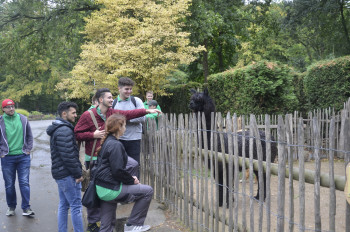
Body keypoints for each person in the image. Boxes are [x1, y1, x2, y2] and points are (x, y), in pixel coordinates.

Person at [74, 88, 160, 232]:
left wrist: (146, 111)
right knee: (94, 190)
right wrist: (92, 134)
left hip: (104, 160)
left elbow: (128, 114)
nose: (111, 99)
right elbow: (76, 133)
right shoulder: (89, 115)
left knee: (110, 182)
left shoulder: (111, 114)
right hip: (93, 157)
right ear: (100, 100)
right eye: (109, 97)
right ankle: (93, 222)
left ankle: (108, 218)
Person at [95, 114, 153, 232]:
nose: (125, 128)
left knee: (106, 227)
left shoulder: (107, 141)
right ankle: (133, 225)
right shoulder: (116, 145)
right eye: (125, 126)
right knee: (147, 191)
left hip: (101, 189)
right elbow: (117, 171)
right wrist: (132, 180)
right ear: (119, 127)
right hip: (111, 190)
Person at [46, 102, 84, 232]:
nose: (75, 115)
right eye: (73, 113)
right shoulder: (64, 130)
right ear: (64, 113)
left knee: (64, 205)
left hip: (60, 174)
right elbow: (68, 156)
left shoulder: (60, 128)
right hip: (67, 174)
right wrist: (78, 174)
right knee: (76, 206)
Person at [0, 99, 34, 217]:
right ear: (3, 109)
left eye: (13, 106)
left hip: (23, 156)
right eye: (8, 107)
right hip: (7, 158)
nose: (11, 109)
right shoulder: (0, 121)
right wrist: (1, 152)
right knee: (9, 185)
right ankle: (11, 207)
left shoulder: (23, 119)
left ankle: (26, 208)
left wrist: (28, 149)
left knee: (24, 183)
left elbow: (29, 135)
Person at [113, 77, 145, 173]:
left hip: (134, 139)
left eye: (131, 89)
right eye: (126, 89)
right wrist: (132, 117)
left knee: (135, 166)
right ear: (119, 88)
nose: (129, 91)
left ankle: (135, 186)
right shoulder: (114, 103)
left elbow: (142, 118)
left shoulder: (137, 101)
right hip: (119, 139)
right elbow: (111, 119)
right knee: (120, 165)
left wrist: (123, 118)